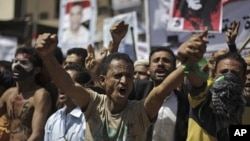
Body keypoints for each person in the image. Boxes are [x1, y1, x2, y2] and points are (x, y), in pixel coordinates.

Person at [34, 31, 206, 141]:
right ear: (102, 81)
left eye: (129, 76)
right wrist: (47, 57)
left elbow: (161, 91)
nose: (124, 81)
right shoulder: (93, 103)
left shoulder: (141, 111)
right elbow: (68, 84)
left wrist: (188, 63)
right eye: (117, 76)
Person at [186, 52, 250, 141]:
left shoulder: (246, 113)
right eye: (223, 72)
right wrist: (188, 60)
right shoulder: (203, 98)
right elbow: (195, 81)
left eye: (235, 73)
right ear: (214, 75)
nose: (228, 76)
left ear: (243, 79)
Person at [0, 47, 52, 141]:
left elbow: (37, 134)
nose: (16, 65)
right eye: (15, 61)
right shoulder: (9, 94)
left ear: (37, 70)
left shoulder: (40, 95)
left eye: (24, 63)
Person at [44, 63, 88, 141]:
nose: (61, 87)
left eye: (67, 83)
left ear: (81, 87)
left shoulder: (87, 120)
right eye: (60, 82)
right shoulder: (53, 119)